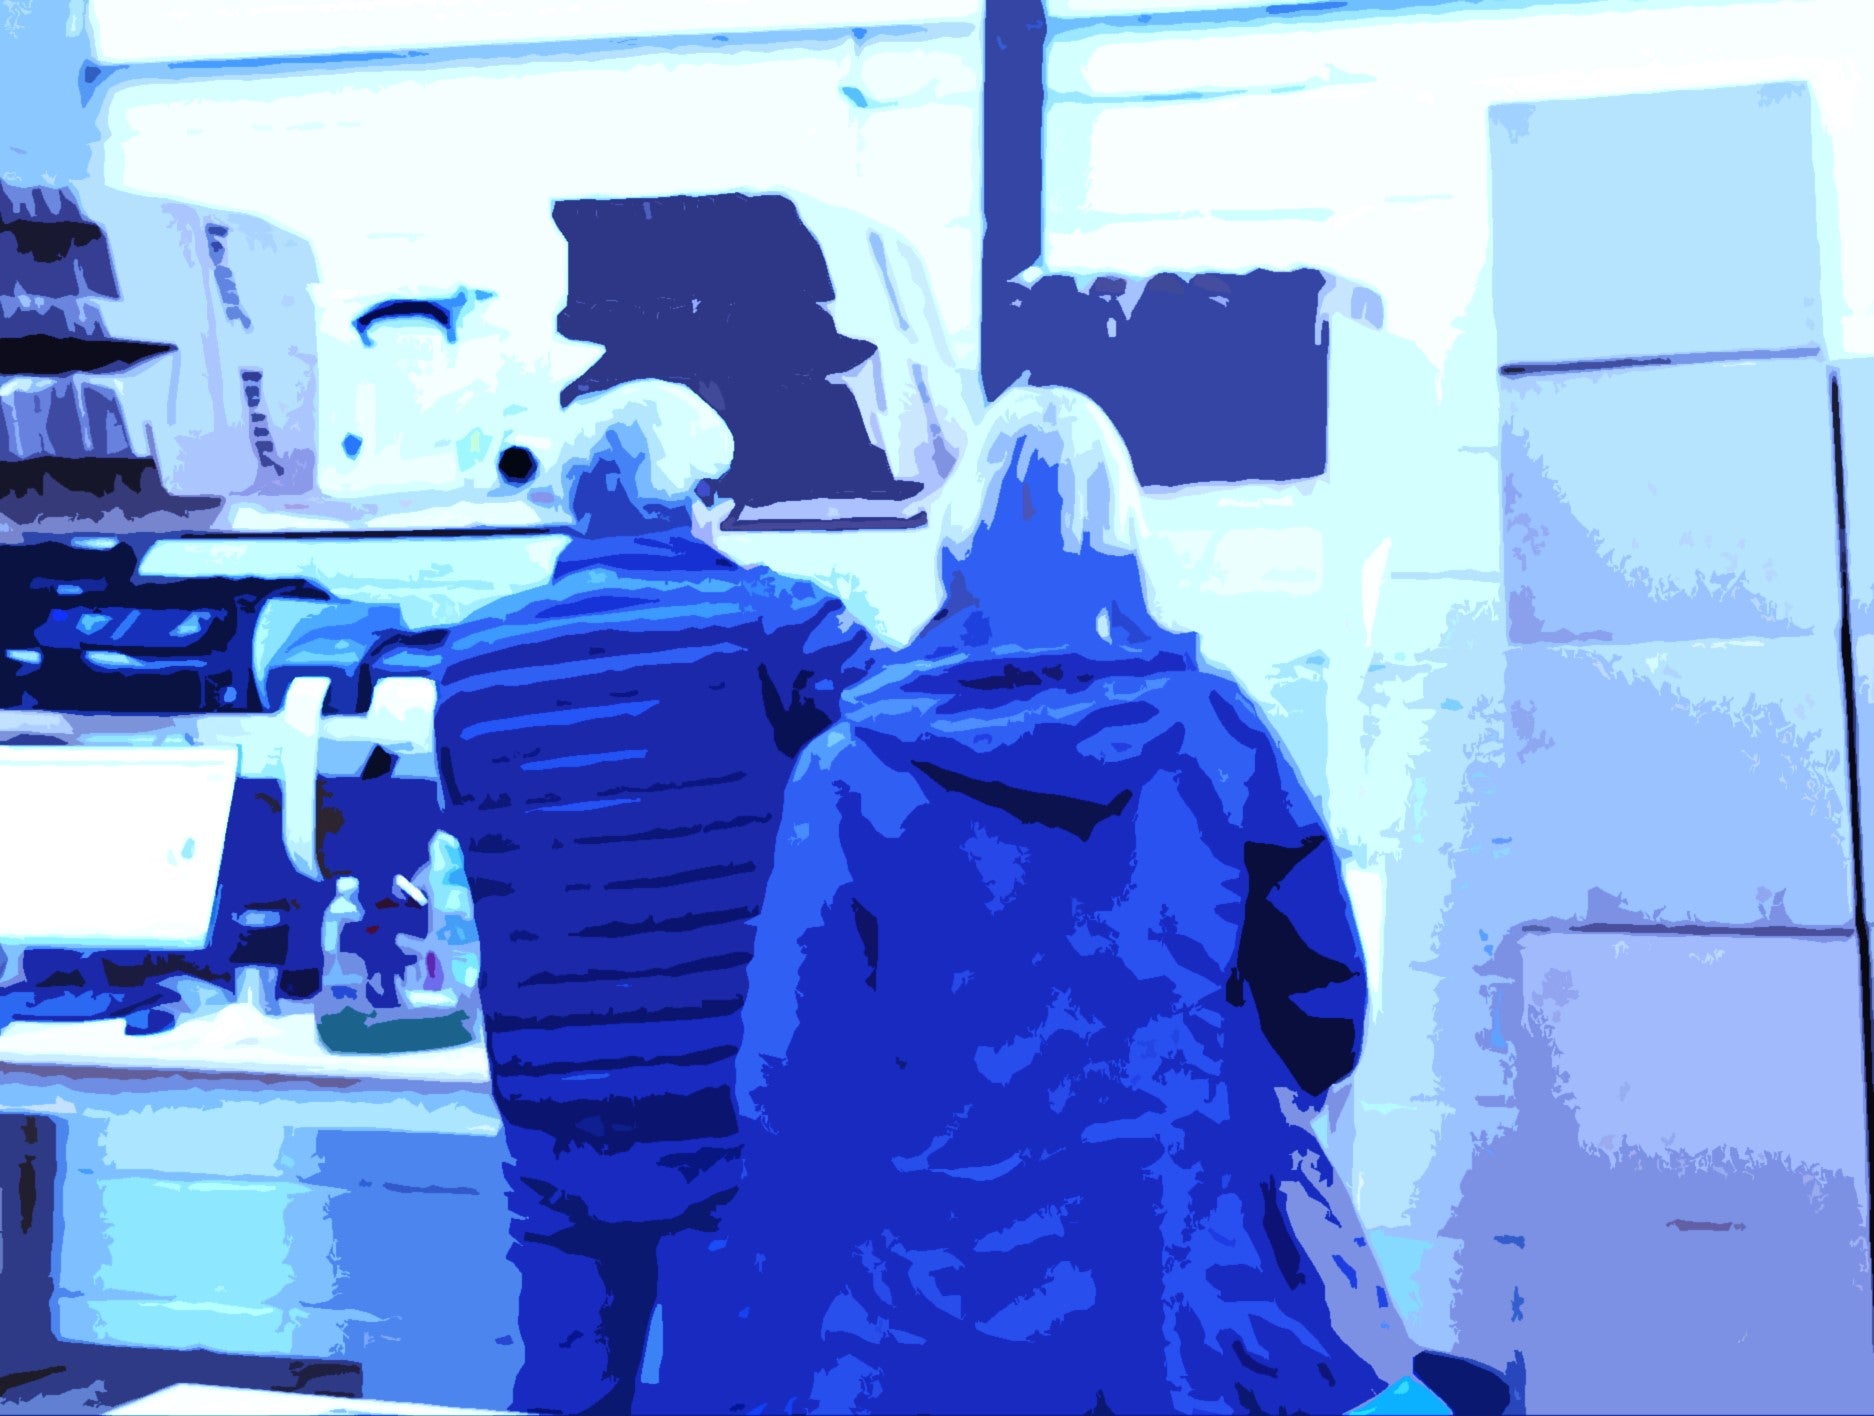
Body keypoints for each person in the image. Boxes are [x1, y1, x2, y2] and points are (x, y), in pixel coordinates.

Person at [648, 387, 1514, 1416]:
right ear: (1119, 538)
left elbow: (788, 1075)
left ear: (956, 540)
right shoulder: (1211, 733)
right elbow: (1322, 1006)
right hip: (1174, 1262)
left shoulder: (852, 768)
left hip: (930, 1290)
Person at [431, 378, 873, 1416]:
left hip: (550, 1107)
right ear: (703, 498)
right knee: (734, 1391)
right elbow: (916, 751)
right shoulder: (777, 625)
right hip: (730, 1103)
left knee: (565, 1391)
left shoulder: (473, 658)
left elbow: (473, 847)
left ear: (576, 505)